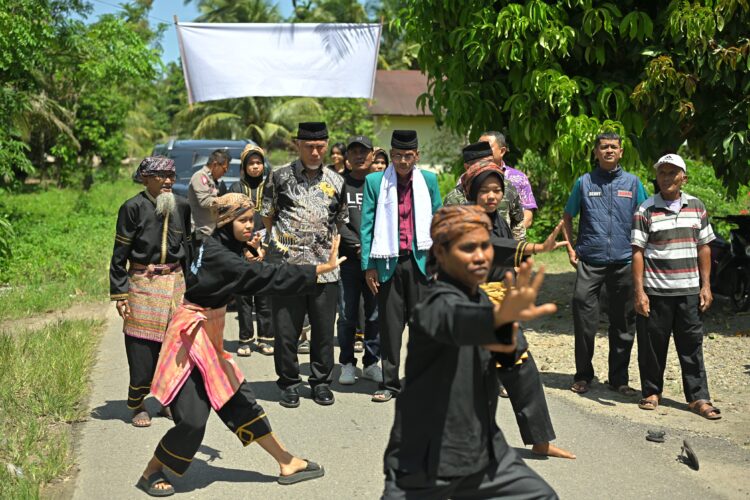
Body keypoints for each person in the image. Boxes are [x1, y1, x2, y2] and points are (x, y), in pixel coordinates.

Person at [137, 193, 342, 497]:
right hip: (190, 339)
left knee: (240, 402)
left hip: (207, 336)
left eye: (252, 219)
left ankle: (287, 462)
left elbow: (240, 271)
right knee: (193, 421)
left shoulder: (212, 242)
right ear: (226, 221)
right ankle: (151, 471)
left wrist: (248, 250)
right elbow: (262, 275)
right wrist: (318, 271)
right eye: (243, 220)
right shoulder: (221, 256)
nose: (251, 225)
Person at [382, 204, 558, 499]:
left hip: (484, 454)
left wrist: (507, 331)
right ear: (440, 253)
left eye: (485, 246)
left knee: (540, 496)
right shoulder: (433, 305)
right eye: (468, 248)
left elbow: (508, 359)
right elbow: (457, 322)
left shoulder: (484, 302)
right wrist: (498, 320)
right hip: (426, 459)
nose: (480, 256)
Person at [461, 159, 575, 459]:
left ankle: (540, 440)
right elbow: (492, 247)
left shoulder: (497, 218)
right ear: (472, 193)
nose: (491, 196)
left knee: (523, 372)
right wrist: (537, 248)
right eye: (485, 190)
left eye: (497, 190)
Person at [261, 122, 348, 408]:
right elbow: (268, 216)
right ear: (297, 145)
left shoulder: (336, 180)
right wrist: (283, 248)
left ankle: (321, 382)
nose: (315, 151)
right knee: (286, 331)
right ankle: (288, 383)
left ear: (327, 145)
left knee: (323, 332)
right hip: (288, 269)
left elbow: (339, 220)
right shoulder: (279, 177)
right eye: (309, 146)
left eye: (320, 146)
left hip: (325, 270)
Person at [632, 153, 721, 420]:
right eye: (662, 173)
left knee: (691, 344)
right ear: (657, 178)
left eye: (673, 173)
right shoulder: (645, 209)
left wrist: (706, 286)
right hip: (656, 291)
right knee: (652, 346)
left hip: (689, 290)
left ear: (683, 177)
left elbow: (704, 247)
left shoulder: (697, 206)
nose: (667, 178)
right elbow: (637, 251)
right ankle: (651, 391)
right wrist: (639, 291)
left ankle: (698, 397)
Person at [562, 132, 648, 395]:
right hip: (590, 260)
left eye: (613, 147)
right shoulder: (584, 182)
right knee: (584, 318)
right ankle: (583, 375)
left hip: (624, 260)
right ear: (596, 152)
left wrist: (644, 254)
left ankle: (618, 379)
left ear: (621, 152)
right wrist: (570, 246)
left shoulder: (633, 184)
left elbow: (646, 218)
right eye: (604, 147)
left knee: (623, 322)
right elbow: (567, 215)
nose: (609, 151)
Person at [360, 130, 442, 403]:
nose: (403, 161)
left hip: (422, 261)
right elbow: (368, 224)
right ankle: (390, 384)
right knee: (390, 327)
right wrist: (369, 265)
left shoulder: (428, 180)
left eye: (408, 156)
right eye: (397, 156)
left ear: (417, 156)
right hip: (388, 262)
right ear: (390, 155)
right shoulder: (375, 181)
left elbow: (439, 221)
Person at [110, 157, 191, 428]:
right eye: (160, 176)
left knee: (176, 348)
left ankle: (168, 401)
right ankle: (137, 404)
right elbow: (119, 255)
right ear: (145, 179)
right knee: (141, 349)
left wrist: (194, 288)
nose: (168, 181)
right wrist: (120, 295)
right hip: (143, 285)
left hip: (176, 282)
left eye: (171, 175)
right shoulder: (132, 208)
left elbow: (189, 250)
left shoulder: (182, 206)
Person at [337, 135, 382, 385]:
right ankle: (346, 363)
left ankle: (372, 362)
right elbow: (336, 220)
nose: (358, 156)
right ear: (347, 157)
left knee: (375, 314)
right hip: (348, 260)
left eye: (363, 152)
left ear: (372, 155)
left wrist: (370, 250)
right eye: (353, 151)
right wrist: (357, 246)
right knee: (347, 314)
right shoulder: (339, 184)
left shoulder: (381, 184)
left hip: (376, 261)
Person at [229, 144, 273, 357]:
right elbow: (228, 222)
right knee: (244, 297)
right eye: (251, 163)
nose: (255, 167)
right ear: (244, 166)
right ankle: (245, 339)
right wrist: (246, 249)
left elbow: (277, 220)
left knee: (264, 296)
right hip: (241, 251)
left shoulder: (271, 188)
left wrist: (263, 248)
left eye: (258, 163)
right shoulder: (235, 189)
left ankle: (266, 339)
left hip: (266, 249)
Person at [444, 141, 527, 240]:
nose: (488, 168)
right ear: (467, 167)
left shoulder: (508, 188)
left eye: (490, 162)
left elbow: (517, 223)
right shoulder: (454, 198)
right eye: (482, 165)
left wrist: (519, 252)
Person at [479, 131, 538, 228]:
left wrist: (508, 239)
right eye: (479, 148)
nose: (482, 152)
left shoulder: (519, 178)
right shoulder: (466, 178)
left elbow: (528, 214)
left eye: (487, 148)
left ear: (502, 151)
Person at [187, 149, 230, 247]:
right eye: (224, 168)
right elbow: (205, 201)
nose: (225, 172)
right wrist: (228, 200)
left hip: (211, 233)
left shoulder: (212, 180)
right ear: (215, 165)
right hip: (201, 233)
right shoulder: (200, 176)